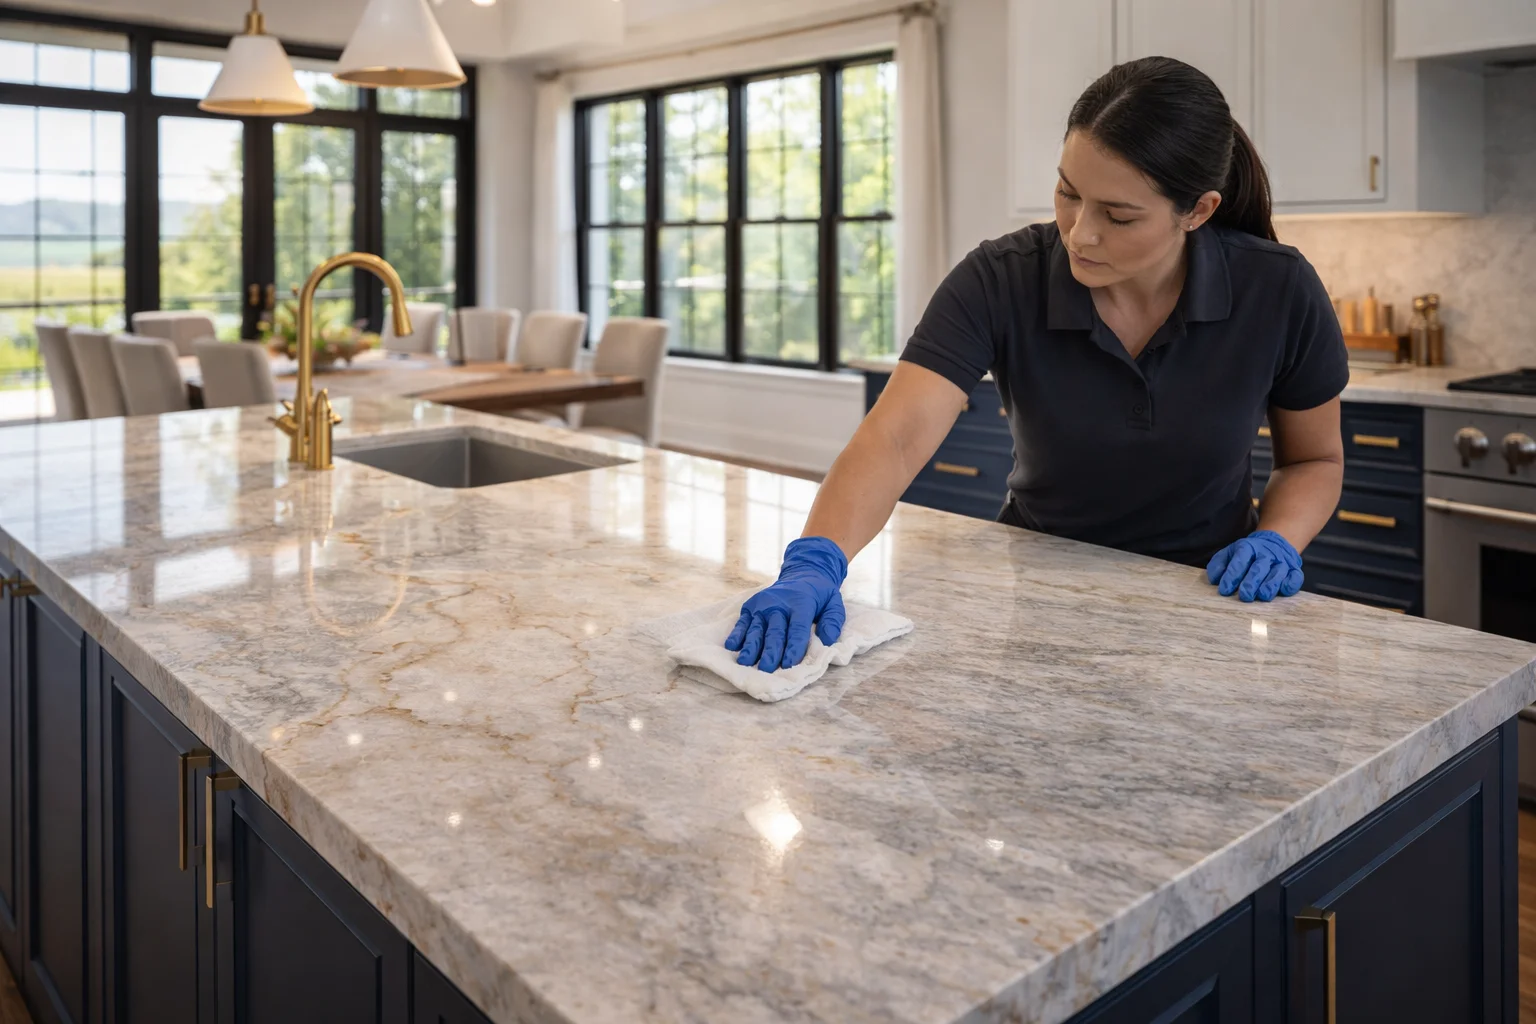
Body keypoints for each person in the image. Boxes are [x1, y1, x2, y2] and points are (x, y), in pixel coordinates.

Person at [725, 56, 1348, 673]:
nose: (1079, 233)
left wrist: (1278, 538)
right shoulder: (1002, 278)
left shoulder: (1279, 288)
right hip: (1041, 592)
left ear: (1199, 211)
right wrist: (814, 561)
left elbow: (1314, 460)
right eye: (1067, 194)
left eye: (1118, 215)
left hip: (1211, 599)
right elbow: (893, 438)